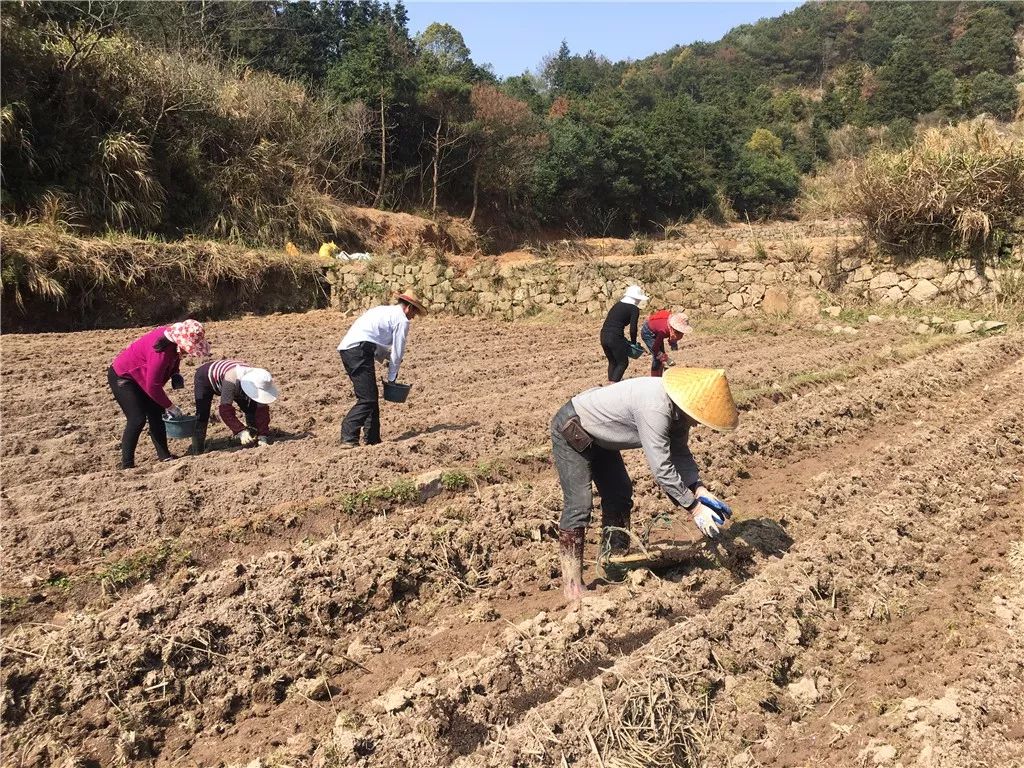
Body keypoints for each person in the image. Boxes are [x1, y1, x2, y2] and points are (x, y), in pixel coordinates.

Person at [550, 367, 739, 601]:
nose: (699, 424)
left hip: (600, 436)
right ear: (689, 406)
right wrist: (694, 508)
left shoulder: (678, 416)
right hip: (573, 427)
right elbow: (662, 468)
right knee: (579, 504)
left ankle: (614, 561)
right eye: (699, 418)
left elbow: (679, 453)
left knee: (619, 493)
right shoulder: (657, 407)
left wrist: (699, 489)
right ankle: (573, 586)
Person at [108, 319, 210, 469]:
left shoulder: (171, 340)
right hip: (124, 378)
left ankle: (164, 456)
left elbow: (175, 357)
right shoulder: (160, 352)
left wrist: (175, 374)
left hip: (143, 376)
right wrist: (171, 406)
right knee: (137, 419)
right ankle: (127, 465)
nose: (188, 353)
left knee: (156, 413)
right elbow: (153, 386)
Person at [337, 288, 427, 448]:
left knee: (370, 394)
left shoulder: (383, 310)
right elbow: (398, 352)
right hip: (358, 350)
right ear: (409, 308)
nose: (413, 317)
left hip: (350, 349)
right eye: (414, 313)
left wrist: (385, 357)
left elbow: (373, 340)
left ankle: (372, 438)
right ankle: (348, 435)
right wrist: (392, 378)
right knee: (367, 398)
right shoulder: (402, 320)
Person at [192, 360, 279, 454]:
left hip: (235, 383)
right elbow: (225, 410)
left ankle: (254, 435)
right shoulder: (231, 380)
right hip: (206, 377)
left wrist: (263, 434)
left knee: (250, 407)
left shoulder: (259, 380)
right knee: (202, 413)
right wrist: (240, 431)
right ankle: (198, 450)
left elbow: (262, 409)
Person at [600, 285, 648, 384]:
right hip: (615, 337)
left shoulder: (617, 305)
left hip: (603, 335)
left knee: (613, 362)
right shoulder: (633, 309)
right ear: (636, 299)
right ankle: (612, 387)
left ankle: (610, 385)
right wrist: (634, 343)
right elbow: (633, 329)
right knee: (623, 363)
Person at [640, 309, 692, 377]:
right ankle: (655, 379)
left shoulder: (672, 330)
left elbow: (673, 337)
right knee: (657, 357)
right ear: (674, 328)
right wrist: (666, 359)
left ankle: (660, 375)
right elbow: (655, 348)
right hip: (648, 333)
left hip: (656, 332)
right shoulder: (663, 331)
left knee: (662, 354)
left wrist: (673, 344)